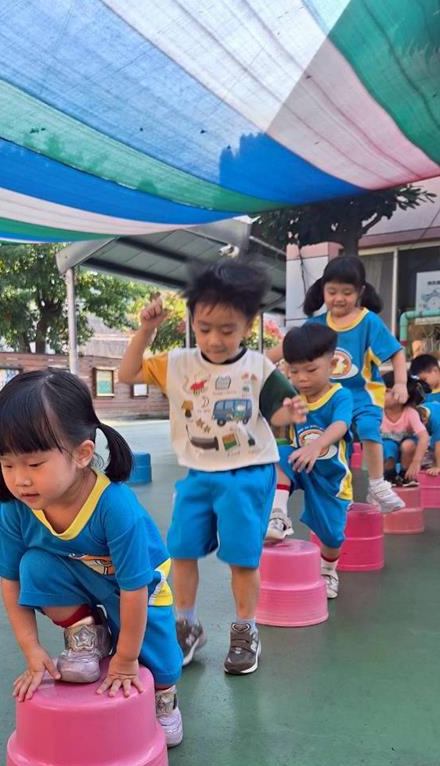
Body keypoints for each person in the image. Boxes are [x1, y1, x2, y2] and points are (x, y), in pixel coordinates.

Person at [0, 369, 184, 747]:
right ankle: (87, 632)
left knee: (160, 659)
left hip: (137, 587)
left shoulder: (115, 507)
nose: (19, 479)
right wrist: (31, 649)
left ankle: (165, 699)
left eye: (34, 464)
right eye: (7, 463)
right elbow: (11, 580)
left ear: (82, 454)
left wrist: (126, 659)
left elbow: (134, 590)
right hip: (79, 572)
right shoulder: (16, 507)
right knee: (32, 566)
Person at [118, 261, 306, 676]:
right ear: (192, 322)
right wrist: (146, 330)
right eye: (204, 328)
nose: (215, 339)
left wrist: (290, 413)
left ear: (247, 325)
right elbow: (127, 373)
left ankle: (245, 630)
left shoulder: (258, 368)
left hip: (247, 473)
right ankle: (187, 625)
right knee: (181, 550)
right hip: (199, 473)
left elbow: (277, 413)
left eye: (227, 329)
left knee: (242, 559)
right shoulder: (178, 364)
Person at [269, 257, 408, 514]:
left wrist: (400, 383)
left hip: (362, 394)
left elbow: (396, 352)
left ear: (360, 292)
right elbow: (286, 346)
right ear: (323, 290)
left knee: (367, 427)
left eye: (347, 292)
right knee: (319, 439)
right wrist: (254, 364)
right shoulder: (316, 325)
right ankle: (324, 490)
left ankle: (377, 484)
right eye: (332, 292)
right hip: (325, 396)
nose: (339, 298)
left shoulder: (368, 322)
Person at [273, 323, 353, 598]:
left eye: (310, 370)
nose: (302, 378)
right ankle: (278, 514)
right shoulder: (294, 397)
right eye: (294, 371)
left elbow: (341, 425)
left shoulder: (340, 395)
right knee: (278, 455)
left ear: (331, 364)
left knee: (332, 535)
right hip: (300, 465)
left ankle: (328, 570)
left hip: (331, 477)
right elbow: (279, 425)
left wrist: (317, 445)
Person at [381, 372, 429, 487]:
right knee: (386, 446)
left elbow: (424, 437)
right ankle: (389, 475)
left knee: (408, 445)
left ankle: (406, 474)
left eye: (387, 391)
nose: (381, 394)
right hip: (388, 451)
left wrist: (416, 463)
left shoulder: (410, 413)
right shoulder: (377, 413)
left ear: (404, 395)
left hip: (407, 450)